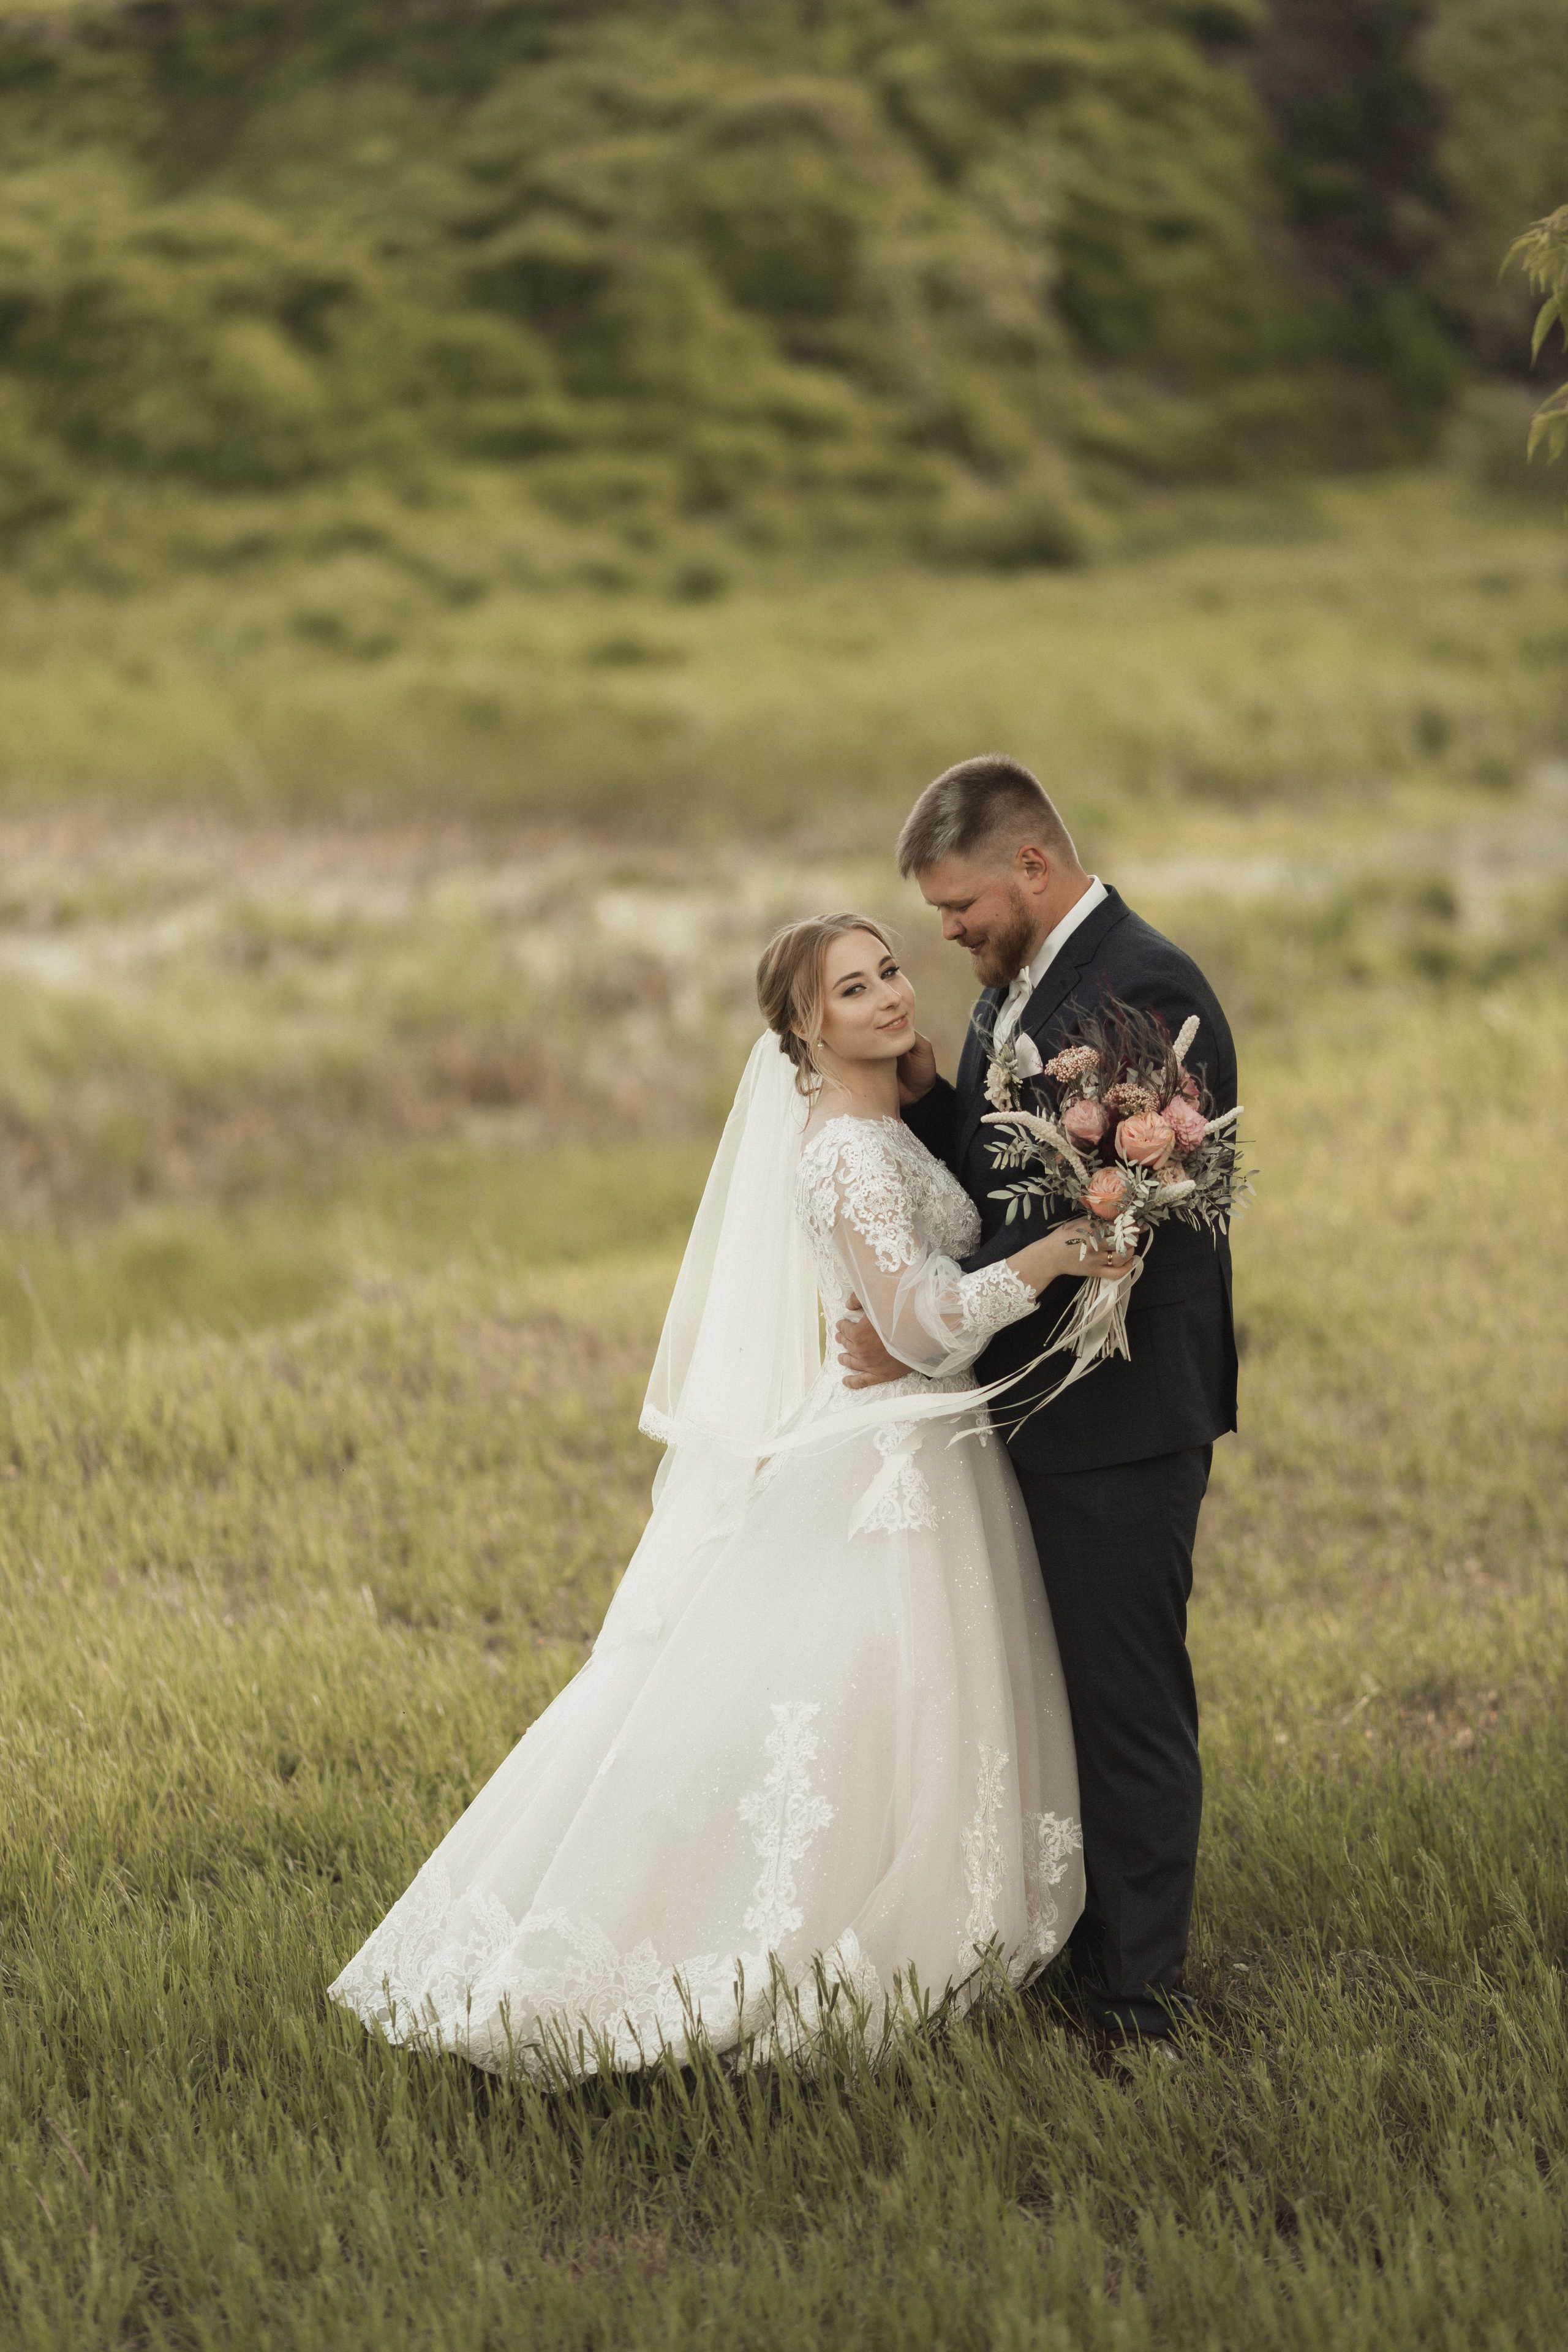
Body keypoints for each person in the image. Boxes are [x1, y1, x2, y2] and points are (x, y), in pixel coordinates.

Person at [330, 913, 1125, 2076]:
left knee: (888, 1700)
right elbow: (916, 1327)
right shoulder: (847, 1151)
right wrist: (1051, 1256)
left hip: (919, 1444)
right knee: (866, 1696)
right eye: (854, 992)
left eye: (892, 970)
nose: (893, 996)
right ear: (807, 1027)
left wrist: (915, 1087)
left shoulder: (867, 1119)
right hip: (894, 1457)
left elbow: (900, 1285)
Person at [839, 756, 1238, 2049]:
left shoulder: (1141, 984)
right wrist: (895, 1094)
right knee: (1052, 1689)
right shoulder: (1014, 987)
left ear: (1029, 864)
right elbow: (1001, 1163)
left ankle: (1141, 2001)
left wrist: (926, 1326)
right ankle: (1084, 1946)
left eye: (957, 908)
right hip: (1025, 1402)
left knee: (1124, 1700)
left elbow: (1104, 1212)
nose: (943, 934)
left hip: (1117, 1412)